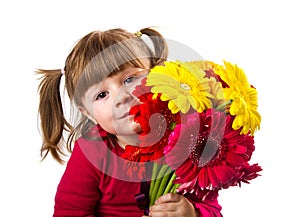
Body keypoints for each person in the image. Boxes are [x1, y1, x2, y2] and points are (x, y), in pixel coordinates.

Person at [37, 27, 222, 217]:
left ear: (157, 75)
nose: (122, 96)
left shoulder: (186, 139)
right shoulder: (91, 151)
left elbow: (213, 209)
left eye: (130, 79)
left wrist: (193, 213)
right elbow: (68, 213)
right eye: (102, 94)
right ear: (89, 114)